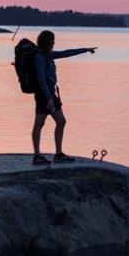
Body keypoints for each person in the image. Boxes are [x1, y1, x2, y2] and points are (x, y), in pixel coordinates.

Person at [31, 30, 97, 165]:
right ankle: (37, 156)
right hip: (44, 95)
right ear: (47, 41)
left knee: (61, 121)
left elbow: (66, 53)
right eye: (52, 40)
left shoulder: (48, 55)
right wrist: (48, 98)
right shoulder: (39, 57)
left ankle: (58, 154)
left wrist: (85, 50)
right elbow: (40, 79)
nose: (54, 43)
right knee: (39, 124)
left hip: (51, 94)